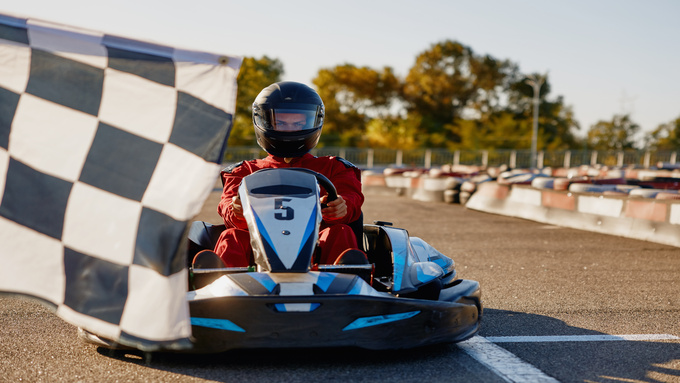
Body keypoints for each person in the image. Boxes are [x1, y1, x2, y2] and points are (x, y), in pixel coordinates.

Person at [195, 81, 365, 268]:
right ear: (263, 122)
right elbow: (227, 206)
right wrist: (237, 210)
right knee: (231, 235)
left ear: (314, 122)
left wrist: (341, 207)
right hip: (257, 256)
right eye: (282, 123)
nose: (290, 130)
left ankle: (344, 286)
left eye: (299, 123)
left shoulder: (334, 168)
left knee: (340, 232)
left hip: (315, 254)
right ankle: (224, 289)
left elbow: (352, 197)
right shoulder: (243, 171)